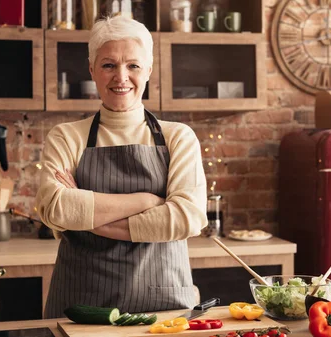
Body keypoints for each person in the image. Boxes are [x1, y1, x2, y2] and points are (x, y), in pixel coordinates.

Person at [35, 15, 207, 318]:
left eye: (133, 66)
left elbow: (186, 218)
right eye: (108, 65)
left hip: (164, 307)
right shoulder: (66, 136)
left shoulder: (178, 137)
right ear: (92, 70)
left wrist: (88, 219)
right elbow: (56, 209)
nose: (121, 77)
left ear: (149, 71)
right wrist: (146, 201)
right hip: (81, 306)